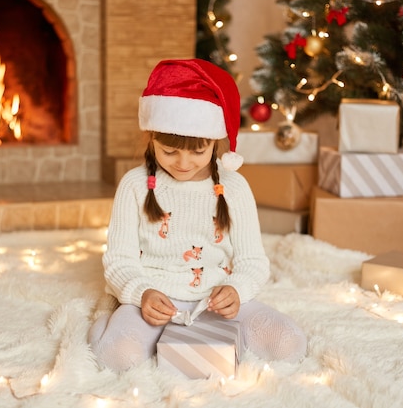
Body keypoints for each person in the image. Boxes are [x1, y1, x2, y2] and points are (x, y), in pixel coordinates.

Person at [88, 59, 307, 372]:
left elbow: (253, 262)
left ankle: (184, 341)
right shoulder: (134, 185)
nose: (183, 162)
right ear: (151, 138)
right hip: (152, 300)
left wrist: (237, 290)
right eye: (170, 151)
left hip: (214, 301)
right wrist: (141, 293)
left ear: (215, 143)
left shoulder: (234, 187)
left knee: (289, 343)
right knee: (117, 358)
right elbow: (119, 261)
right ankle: (113, 327)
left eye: (198, 151)